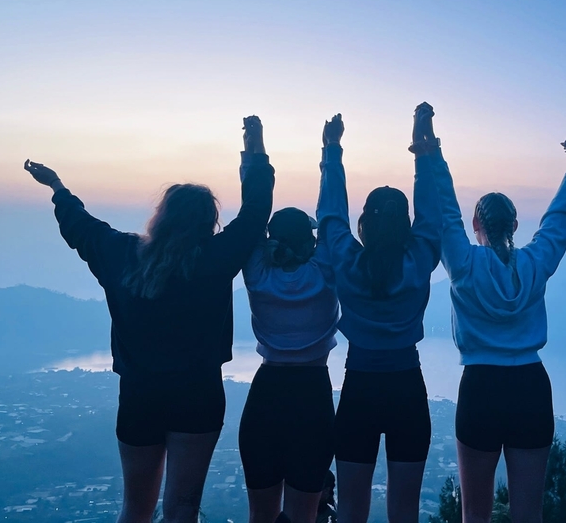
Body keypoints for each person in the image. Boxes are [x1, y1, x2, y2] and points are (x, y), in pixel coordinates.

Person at [23, 116, 274, 523]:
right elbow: (255, 212)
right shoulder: (213, 259)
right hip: (198, 395)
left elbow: (81, 228)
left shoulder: (121, 255)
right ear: (208, 223)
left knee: (135, 510)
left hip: (138, 397)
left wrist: (57, 187)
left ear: (161, 215)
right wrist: (254, 148)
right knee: (182, 509)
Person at [424, 108, 566, 523]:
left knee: (474, 515)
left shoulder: (463, 264)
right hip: (531, 388)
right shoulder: (535, 262)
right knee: (528, 515)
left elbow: (445, 211)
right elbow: (559, 219)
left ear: (475, 223)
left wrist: (432, 152)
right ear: (515, 224)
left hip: (480, 388)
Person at [317, 107, 442, 523]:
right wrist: (423, 148)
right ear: (405, 224)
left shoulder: (347, 262)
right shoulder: (420, 258)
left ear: (365, 224)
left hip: (359, 390)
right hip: (408, 389)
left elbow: (331, 217)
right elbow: (432, 215)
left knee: (351, 510)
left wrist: (332, 149)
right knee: (405, 512)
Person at [239, 177, 340, 523]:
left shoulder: (257, 275)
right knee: (303, 517)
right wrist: (331, 158)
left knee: (261, 516)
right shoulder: (324, 272)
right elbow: (331, 218)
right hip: (313, 396)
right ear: (309, 242)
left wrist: (253, 158)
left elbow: (253, 214)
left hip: (265, 394)